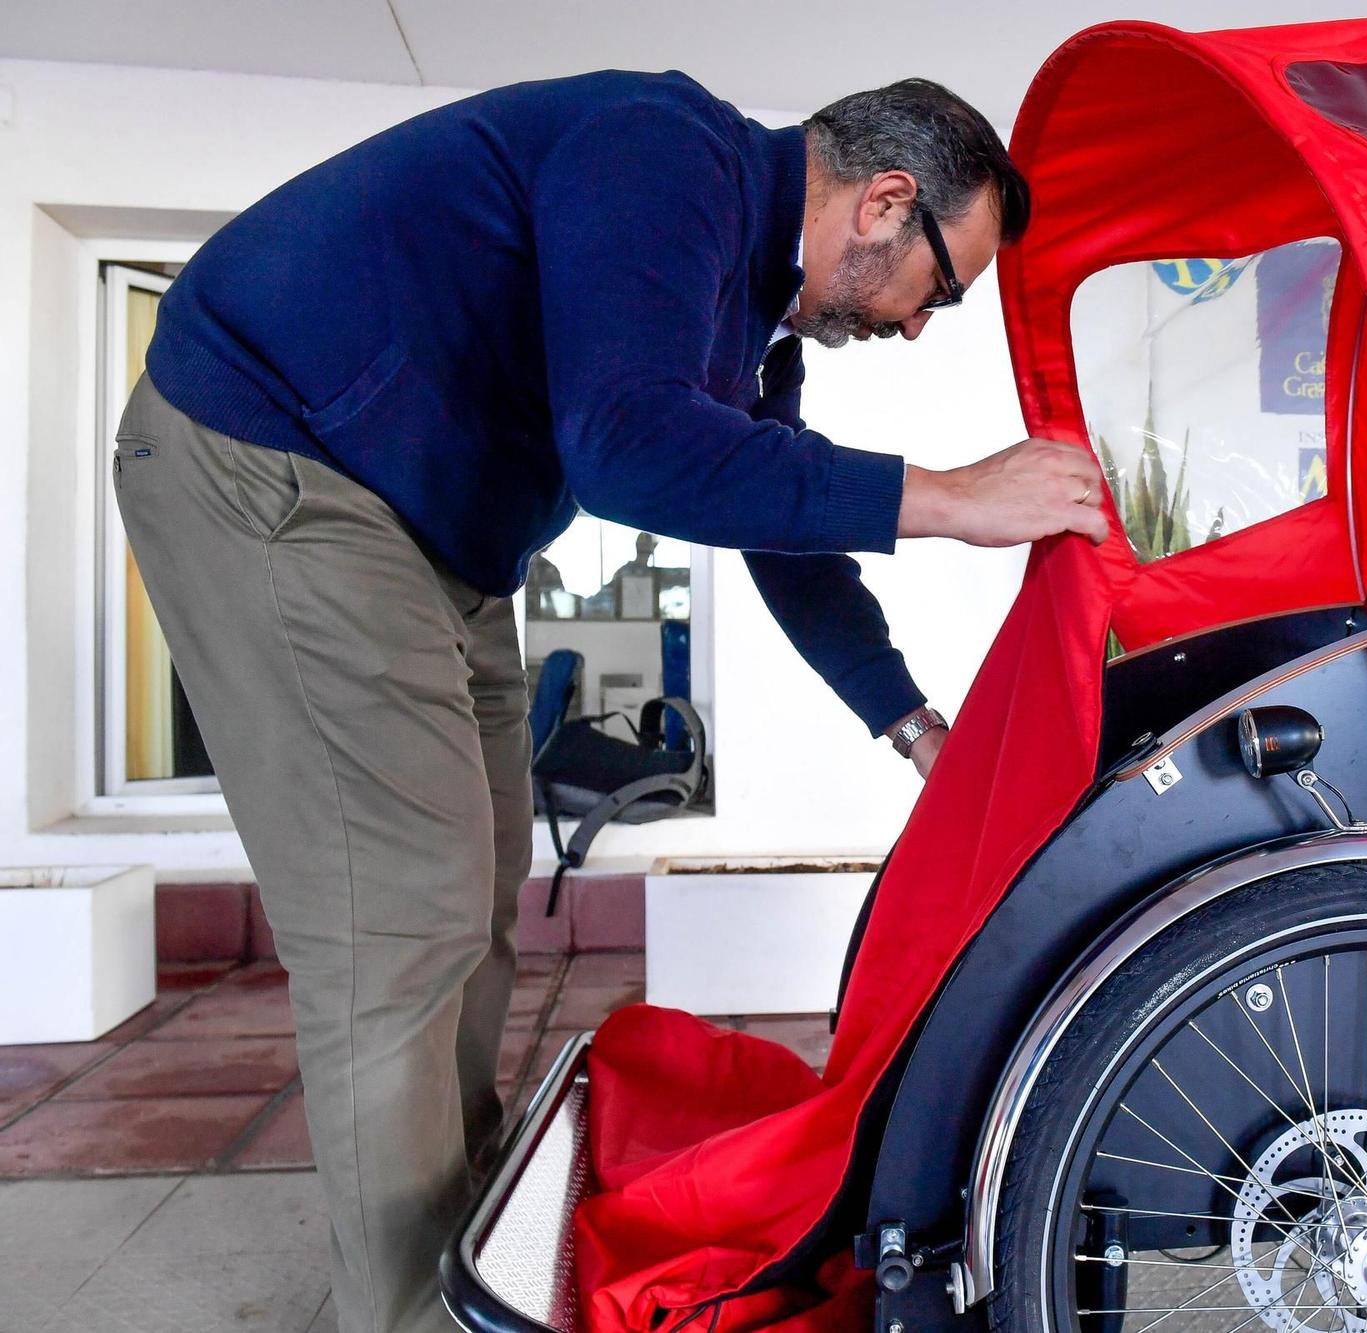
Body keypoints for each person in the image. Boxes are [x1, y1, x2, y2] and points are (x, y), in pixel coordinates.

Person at [111, 73, 1107, 1333]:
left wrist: (913, 726)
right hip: (275, 463)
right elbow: (627, 442)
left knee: (474, 901)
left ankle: (460, 1240)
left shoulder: (749, 313)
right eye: (941, 290)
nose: (921, 326)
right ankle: (411, 1311)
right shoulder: (664, 155)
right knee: (397, 921)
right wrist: (955, 497)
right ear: (882, 204)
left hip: (425, 537)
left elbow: (782, 537)